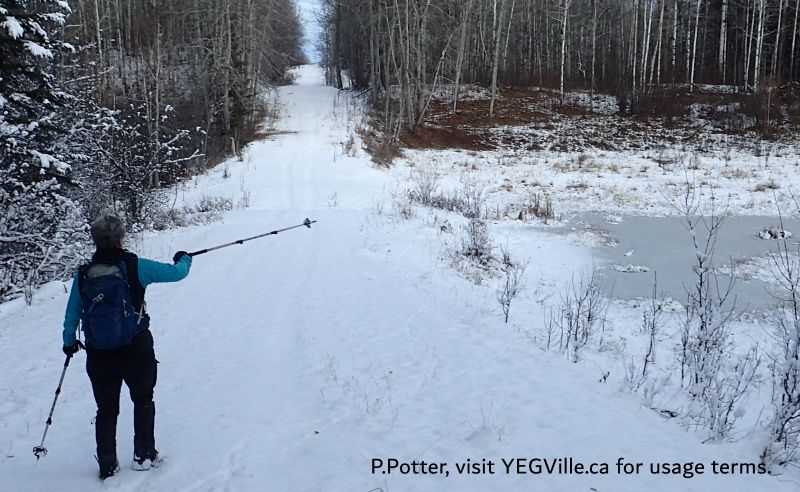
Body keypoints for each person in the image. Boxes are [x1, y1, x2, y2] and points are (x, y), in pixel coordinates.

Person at [62, 214, 192, 479]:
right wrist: (184, 258)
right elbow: (177, 273)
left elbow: (72, 312)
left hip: (99, 352)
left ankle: (108, 464)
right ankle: (144, 455)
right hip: (136, 347)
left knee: (106, 409)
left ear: (95, 240)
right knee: (143, 398)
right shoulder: (136, 266)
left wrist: (68, 342)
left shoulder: (84, 273)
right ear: (121, 238)